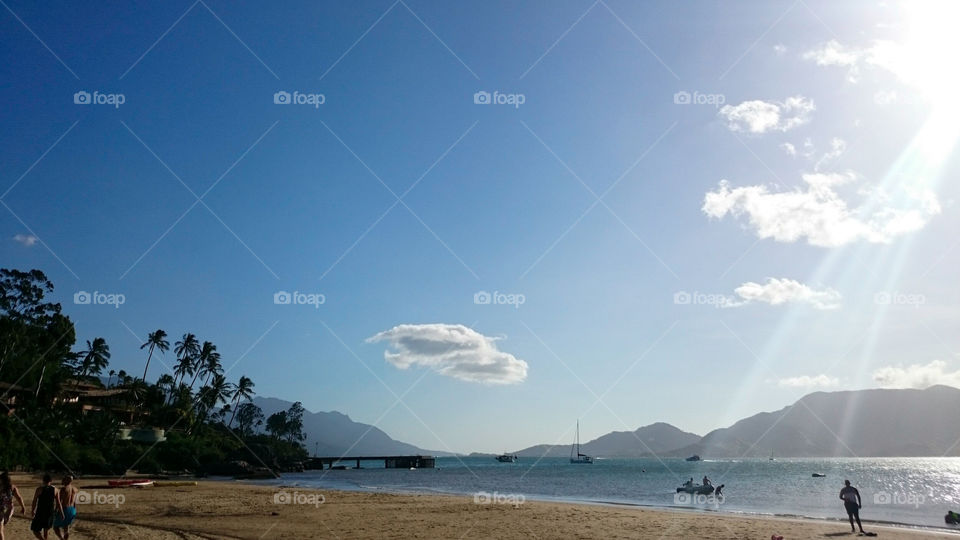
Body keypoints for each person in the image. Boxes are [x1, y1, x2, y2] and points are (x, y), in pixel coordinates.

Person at [31, 474, 63, 540]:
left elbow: (34, 501)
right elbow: (59, 503)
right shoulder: (56, 490)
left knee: (35, 530)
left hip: (40, 512)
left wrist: (33, 510)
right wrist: (62, 513)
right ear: (51, 481)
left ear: (43, 480)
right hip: (50, 512)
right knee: (46, 531)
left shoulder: (39, 489)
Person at [0, 472, 27, 540]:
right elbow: (19, 498)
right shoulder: (13, 487)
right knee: (1, 527)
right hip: (9, 509)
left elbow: (19, 498)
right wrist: (23, 507)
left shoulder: (5, 487)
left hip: (2, 509)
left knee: (1, 528)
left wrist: (23, 507)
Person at [53, 476, 77, 540]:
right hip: (72, 509)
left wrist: (56, 510)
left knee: (55, 527)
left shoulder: (63, 489)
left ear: (67, 480)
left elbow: (59, 502)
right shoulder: (75, 489)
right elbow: (74, 501)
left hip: (65, 508)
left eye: (63, 480)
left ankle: (61, 539)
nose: (62, 481)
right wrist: (74, 510)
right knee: (66, 526)